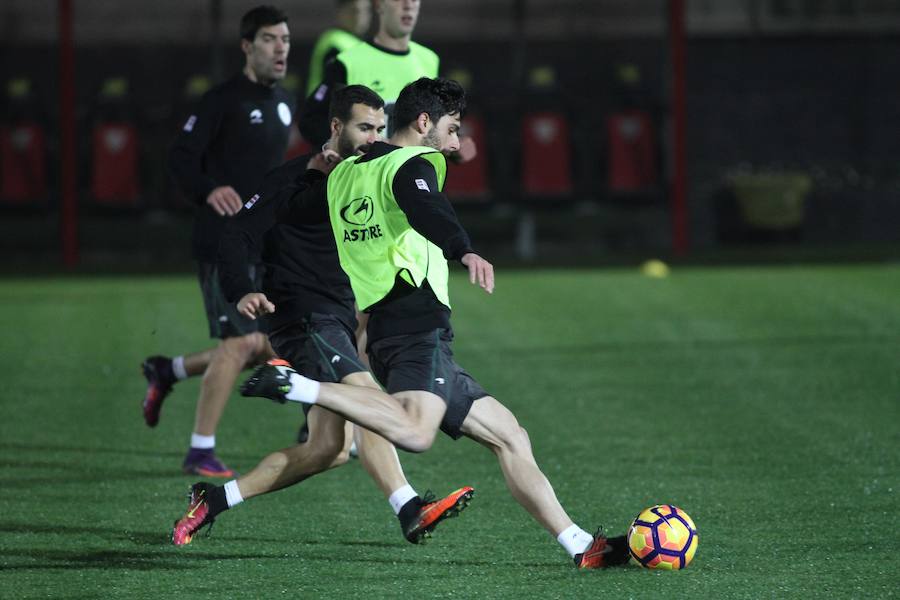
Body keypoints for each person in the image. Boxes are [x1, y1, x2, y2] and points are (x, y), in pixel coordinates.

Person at [242, 77, 630, 569]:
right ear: (423, 122)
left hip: (398, 329)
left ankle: (580, 545)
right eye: (452, 128)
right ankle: (296, 385)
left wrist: (309, 176)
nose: (455, 142)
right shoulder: (410, 164)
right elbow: (426, 206)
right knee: (417, 434)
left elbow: (289, 211)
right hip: (414, 325)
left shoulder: (344, 175)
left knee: (510, 435)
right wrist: (463, 248)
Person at [170, 84, 472, 547]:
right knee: (367, 398)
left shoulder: (363, 177)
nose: (374, 137)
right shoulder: (295, 179)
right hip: (305, 318)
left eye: (379, 127)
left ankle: (213, 500)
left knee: (327, 449)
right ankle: (410, 507)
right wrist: (242, 290)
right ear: (335, 126)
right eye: (364, 127)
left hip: (338, 320)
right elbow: (237, 235)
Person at [141, 5, 294, 477]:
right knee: (241, 341)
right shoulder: (221, 100)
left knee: (264, 344)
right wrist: (209, 189)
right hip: (223, 243)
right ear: (247, 47)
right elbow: (181, 158)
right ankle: (200, 449)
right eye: (269, 39)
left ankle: (169, 370)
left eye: (285, 39)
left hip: (263, 243)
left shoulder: (284, 101)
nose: (280, 48)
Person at [305, 0, 371, 97]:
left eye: (366, 10)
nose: (361, 17)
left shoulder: (357, 42)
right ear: (340, 12)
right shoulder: (335, 43)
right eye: (355, 11)